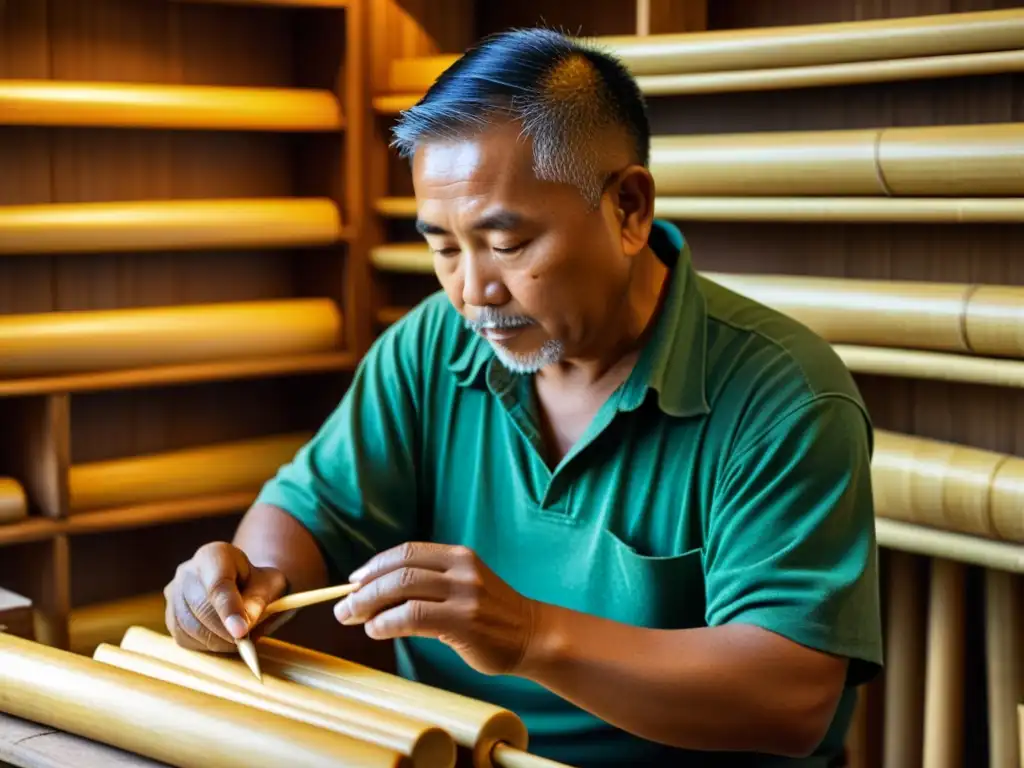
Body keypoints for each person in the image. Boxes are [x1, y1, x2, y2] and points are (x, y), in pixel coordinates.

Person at [163, 27, 883, 767]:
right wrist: (243, 584)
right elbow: (308, 514)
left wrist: (531, 636)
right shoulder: (431, 347)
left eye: (506, 244)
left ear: (628, 209)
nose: (473, 291)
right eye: (444, 248)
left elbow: (790, 697)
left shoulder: (786, 396)